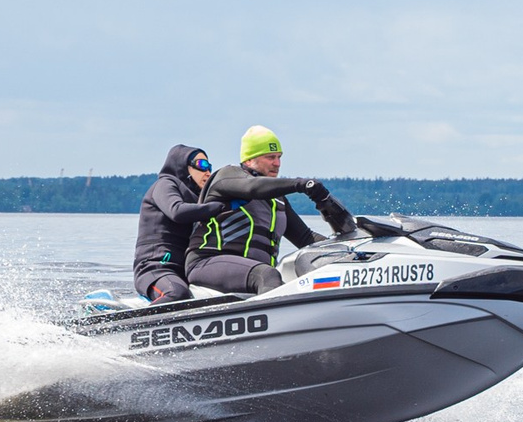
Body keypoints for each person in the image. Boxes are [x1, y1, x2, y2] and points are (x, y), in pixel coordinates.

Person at [184, 125, 356, 294]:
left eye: (279, 157)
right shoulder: (226, 176)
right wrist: (301, 185)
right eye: (270, 157)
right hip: (207, 263)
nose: (277, 163)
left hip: (251, 272)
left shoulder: (278, 201)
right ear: (249, 160)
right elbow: (253, 187)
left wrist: (347, 249)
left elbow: (306, 238)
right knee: (268, 274)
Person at [132, 144, 224, 303]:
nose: (208, 171)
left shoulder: (199, 200)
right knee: (176, 293)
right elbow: (177, 211)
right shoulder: (165, 184)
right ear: (182, 166)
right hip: (156, 267)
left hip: (184, 271)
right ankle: (134, 326)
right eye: (202, 165)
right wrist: (220, 207)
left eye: (209, 166)